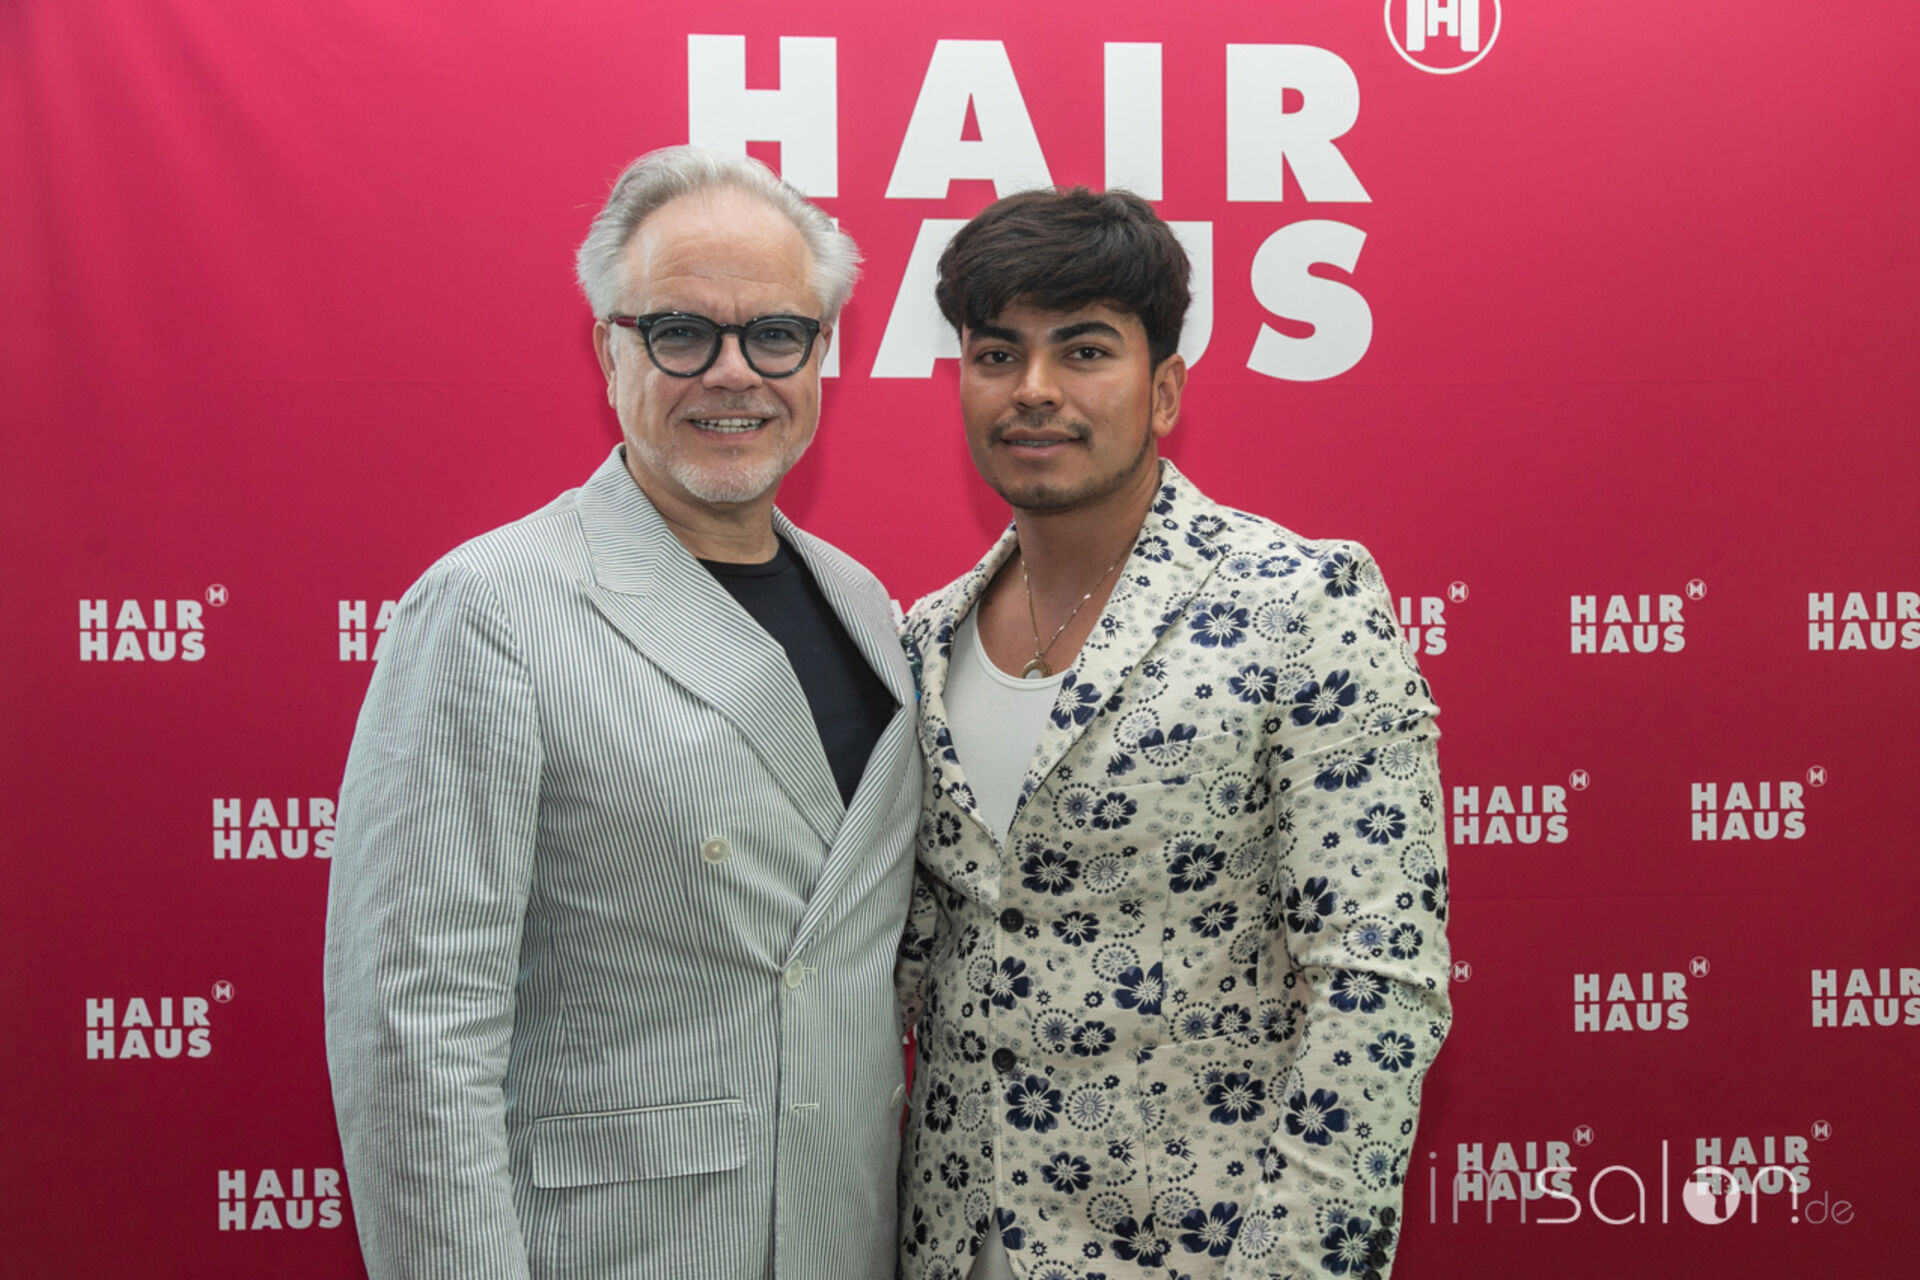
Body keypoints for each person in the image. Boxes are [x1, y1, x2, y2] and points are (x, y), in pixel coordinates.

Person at [324, 147, 920, 1280]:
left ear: (822, 354)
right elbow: (414, 1031)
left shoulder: (864, 606)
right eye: (681, 333)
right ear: (611, 352)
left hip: (840, 1236)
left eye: (776, 334)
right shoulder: (492, 607)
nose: (734, 374)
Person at [896, 189, 1450, 1280]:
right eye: (998, 354)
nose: (1035, 388)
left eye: (1084, 350)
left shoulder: (1301, 603)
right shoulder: (922, 639)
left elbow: (1377, 984)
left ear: (1164, 390)